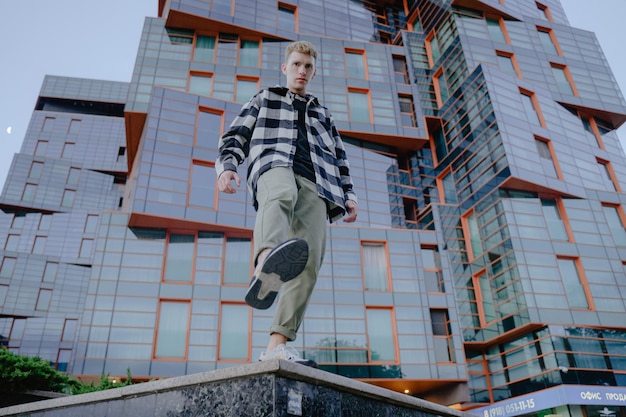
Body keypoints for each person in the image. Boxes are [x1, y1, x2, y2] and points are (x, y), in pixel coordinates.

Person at [216, 40, 358, 366]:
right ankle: (266, 259)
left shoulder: (323, 114)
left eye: (307, 67)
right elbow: (236, 135)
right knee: (281, 194)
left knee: (309, 262)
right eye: (296, 64)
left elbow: (339, 159)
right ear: (286, 67)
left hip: (318, 184)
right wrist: (227, 166)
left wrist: (349, 195)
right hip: (273, 164)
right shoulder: (267, 97)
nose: (302, 71)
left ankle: (276, 346)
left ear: (313, 72)